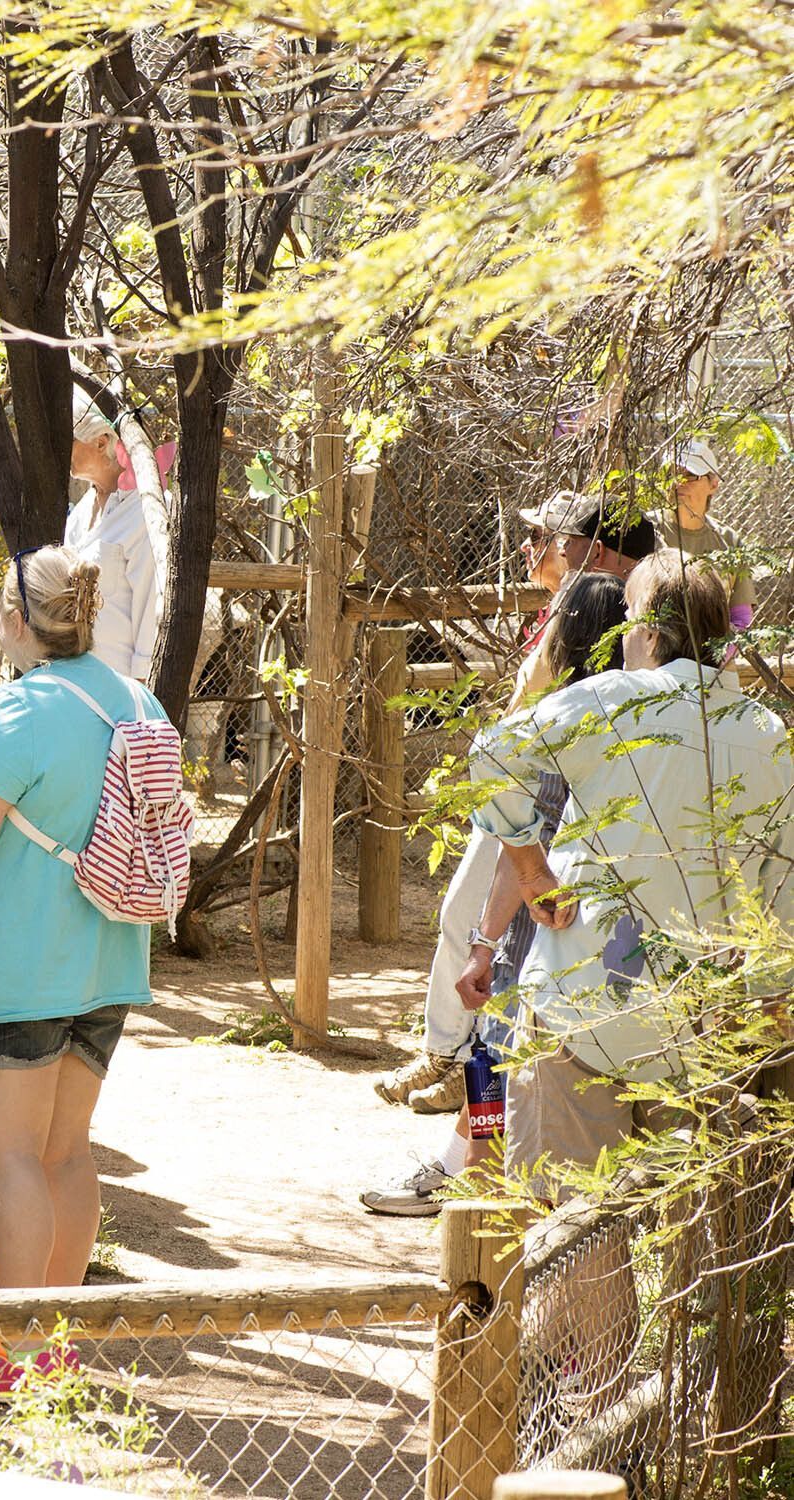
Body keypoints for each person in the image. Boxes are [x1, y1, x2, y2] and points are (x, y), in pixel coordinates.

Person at [465, 551, 794, 1405]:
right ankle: (693, 1408)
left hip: (587, 1011)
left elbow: (492, 753)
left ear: (638, 628)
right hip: (711, 1022)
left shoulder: (602, 703)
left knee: (583, 1219)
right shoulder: (763, 732)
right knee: (706, 1227)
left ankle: (603, 1412)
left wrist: (531, 867)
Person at [364, 490, 657, 1214]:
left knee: (497, 1053)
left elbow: (510, 824)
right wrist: (482, 941)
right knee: (497, 1052)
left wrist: (486, 942)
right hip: (604, 955)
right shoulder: (630, 734)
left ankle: (471, 1171)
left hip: (557, 943)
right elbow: (511, 848)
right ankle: (468, 1164)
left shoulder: (568, 738)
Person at [0, 545, 156, 1399]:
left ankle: (8, 1354)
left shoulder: (9, 713)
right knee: (64, 1153)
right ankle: (53, 1346)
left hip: (15, 966)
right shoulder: (136, 699)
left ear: (15, 621)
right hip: (108, 958)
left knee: (9, 1159)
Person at [62, 390, 166, 682]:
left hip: (124, 691)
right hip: (76, 683)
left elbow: (150, 607)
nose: (59, 448)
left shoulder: (147, 508)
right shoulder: (80, 514)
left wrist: (143, 691)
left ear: (101, 441)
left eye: (69, 439)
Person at [661, 437, 757, 631]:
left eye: (690, 475)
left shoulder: (729, 542)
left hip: (710, 653)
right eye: (672, 474)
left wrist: (719, 657)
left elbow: (741, 618)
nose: (678, 483)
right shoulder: (646, 529)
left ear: (713, 484)